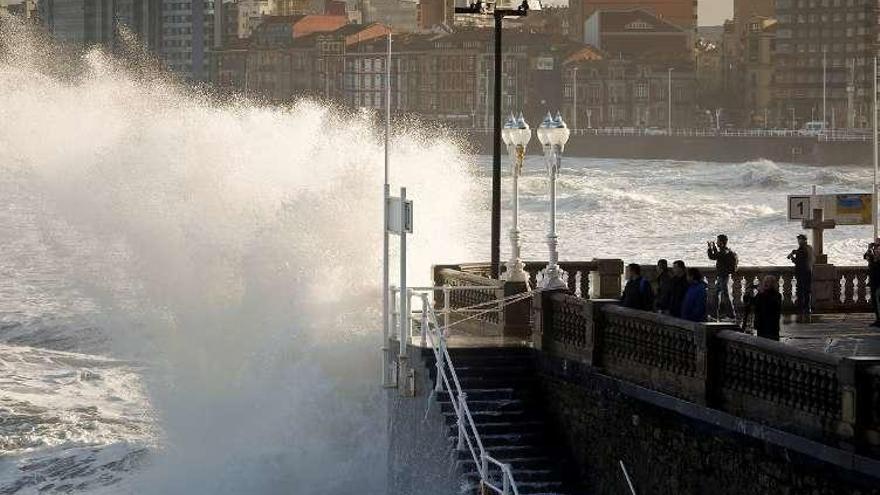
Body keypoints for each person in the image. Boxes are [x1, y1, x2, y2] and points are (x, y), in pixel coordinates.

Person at [707, 234, 739, 321]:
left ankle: (731, 316)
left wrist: (710, 248)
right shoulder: (726, 251)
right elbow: (717, 255)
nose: (716, 242)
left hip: (723, 277)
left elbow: (712, 257)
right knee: (716, 295)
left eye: (717, 241)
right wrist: (713, 248)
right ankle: (714, 315)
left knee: (725, 296)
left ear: (721, 242)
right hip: (722, 276)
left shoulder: (723, 252)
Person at [787, 234, 814, 322]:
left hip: (802, 273)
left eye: (799, 240)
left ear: (803, 240)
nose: (798, 241)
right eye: (798, 240)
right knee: (807, 291)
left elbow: (799, 262)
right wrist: (795, 252)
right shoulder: (809, 248)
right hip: (808, 271)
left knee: (801, 291)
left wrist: (792, 258)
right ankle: (806, 308)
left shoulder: (802, 249)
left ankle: (801, 309)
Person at [752, 275, 783, 341]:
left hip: (771, 325)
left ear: (773, 284)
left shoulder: (777, 295)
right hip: (761, 324)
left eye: (768, 282)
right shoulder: (760, 294)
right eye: (765, 282)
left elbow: (772, 305)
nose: (766, 283)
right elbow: (755, 305)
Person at [864, 239, 880, 327]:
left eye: (878, 245)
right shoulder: (872, 255)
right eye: (875, 246)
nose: (876, 248)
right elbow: (865, 256)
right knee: (874, 302)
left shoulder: (877, 257)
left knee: (878, 301)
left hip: (878, 282)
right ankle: (878, 319)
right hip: (873, 281)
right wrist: (869, 249)